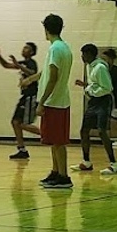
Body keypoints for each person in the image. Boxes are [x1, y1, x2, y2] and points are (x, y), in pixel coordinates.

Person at [35, 14, 74, 189]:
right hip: (60, 100)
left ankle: (64, 176)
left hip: (54, 102)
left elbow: (53, 77)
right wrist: (32, 79)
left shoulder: (55, 49)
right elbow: (47, 73)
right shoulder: (64, 47)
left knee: (58, 142)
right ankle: (56, 171)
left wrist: (42, 101)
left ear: (46, 29)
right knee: (53, 140)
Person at [72, 43, 117, 175]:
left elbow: (107, 88)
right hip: (94, 102)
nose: (81, 57)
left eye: (83, 54)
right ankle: (86, 162)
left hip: (103, 101)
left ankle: (114, 163)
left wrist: (91, 91)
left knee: (102, 132)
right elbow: (95, 84)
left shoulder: (99, 67)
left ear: (90, 54)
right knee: (84, 131)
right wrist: (87, 87)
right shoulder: (89, 66)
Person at [0, 43, 40, 159]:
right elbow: (6, 65)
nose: (24, 49)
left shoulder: (31, 63)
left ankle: (49, 136)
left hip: (31, 96)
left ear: (32, 52)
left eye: (27, 48)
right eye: (24, 47)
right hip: (24, 97)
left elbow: (32, 73)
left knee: (24, 124)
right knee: (15, 122)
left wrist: (18, 65)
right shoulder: (22, 63)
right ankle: (22, 149)